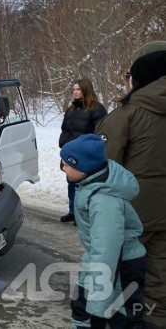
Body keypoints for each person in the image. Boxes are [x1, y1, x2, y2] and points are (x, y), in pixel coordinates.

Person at [95, 40, 166, 328]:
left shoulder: (126, 115)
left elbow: (103, 171)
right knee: (160, 274)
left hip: (132, 214)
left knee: (116, 275)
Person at [60, 134, 146, 328]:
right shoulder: (90, 185)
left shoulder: (103, 201)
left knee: (122, 317)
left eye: (65, 164)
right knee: (81, 306)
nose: (63, 167)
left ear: (82, 167)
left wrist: (98, 305)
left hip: (120, 264)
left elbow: (107, 250)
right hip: (100, 259)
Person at [58, 79, 107, 223]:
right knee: (71, 183)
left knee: (85, 185)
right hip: (70, 154)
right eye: (73, 90)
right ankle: (73, 211)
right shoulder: (72, 109)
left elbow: (101, 133)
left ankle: (84, 215)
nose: (75, 92)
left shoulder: (97, 109)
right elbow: (65, 129)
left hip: (86, 155)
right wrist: (64, 144)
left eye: (78, 89)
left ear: (86, 90)